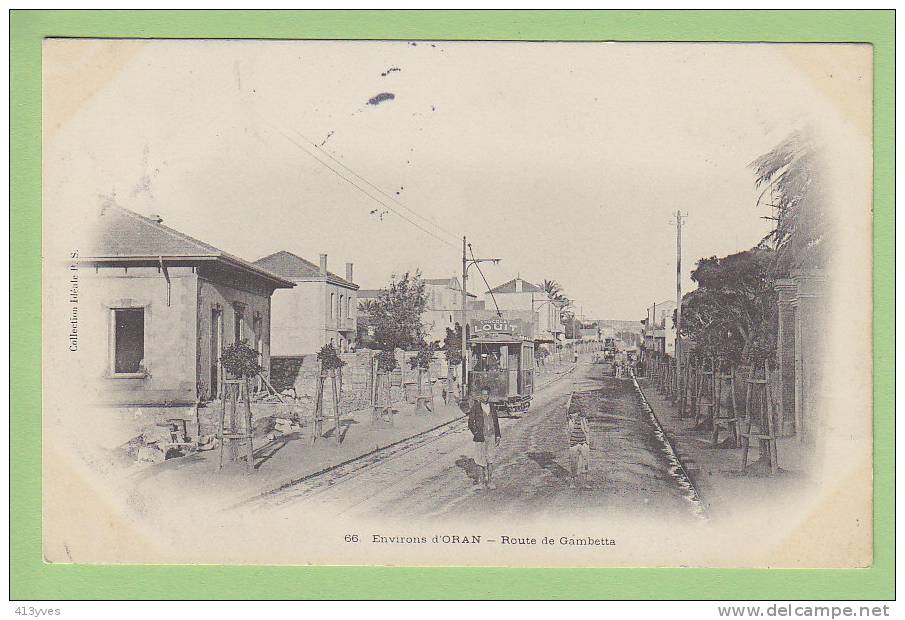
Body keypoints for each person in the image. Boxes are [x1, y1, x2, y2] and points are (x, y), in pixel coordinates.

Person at [468, 388, 502, 490]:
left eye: (486, 395)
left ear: (488, 396)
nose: (485, 396)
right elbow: (470, 422)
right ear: (480, 396)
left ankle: (490, 481)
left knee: (490, 459)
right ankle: (481, 482)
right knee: (480, 460)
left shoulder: (492, 406)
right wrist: (476, 433)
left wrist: (498, 435)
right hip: (480, 437)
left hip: (491, 436)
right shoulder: (475, 407)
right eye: (483, 395)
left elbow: (496, 422)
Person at [567, 408, 592, 489]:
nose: (571, 415)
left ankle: (585, 482)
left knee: (585, 463)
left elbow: (587, 430)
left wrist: (584, 421)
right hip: (573, 444)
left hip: (583, 444)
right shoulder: (569, 421)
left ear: (577, 413)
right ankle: (572, 482)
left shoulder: (583, 420)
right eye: (570, 413)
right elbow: (568, 431)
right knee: (573, 463)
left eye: (573, 413)